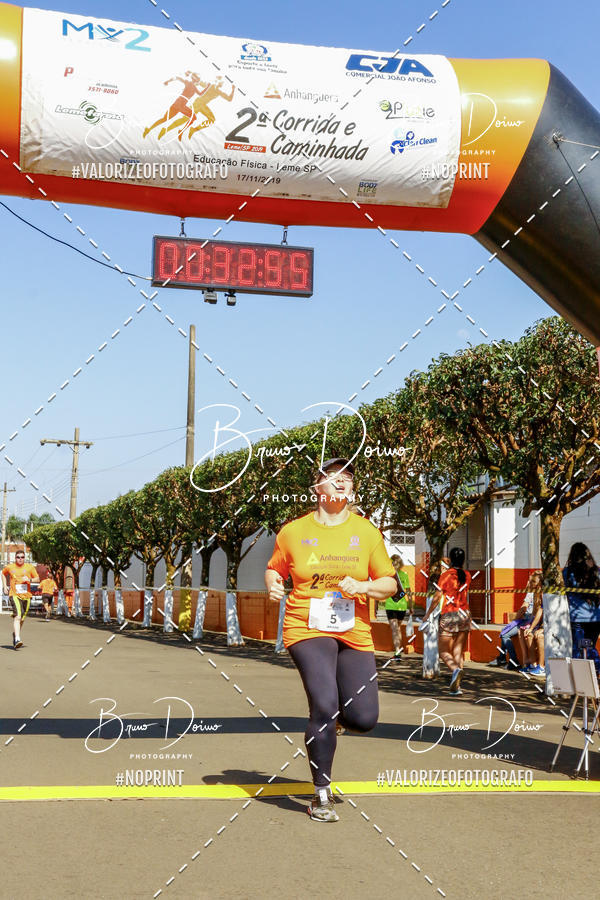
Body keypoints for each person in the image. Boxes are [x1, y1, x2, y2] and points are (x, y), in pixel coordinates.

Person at [265, 458, 396, 823]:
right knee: (324, 706)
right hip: (306, 627)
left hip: (354, 630)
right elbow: (275, 568)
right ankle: (321, 793)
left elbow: (389, 583)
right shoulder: (293, 532)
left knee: (364, 718)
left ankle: (336, 720)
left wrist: (365, 586)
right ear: (317, 488)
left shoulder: (366, 532)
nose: (342, 481)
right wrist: (272, 585)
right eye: (334, 476)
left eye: (348, 477)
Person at [422, 547, 471, 694]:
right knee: (458, 651)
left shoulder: (446, 575)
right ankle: (457, 686)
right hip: (465, 614)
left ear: (450, 560)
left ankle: (455, 670)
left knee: (443, 651)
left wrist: (428, 614)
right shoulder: (467, 575)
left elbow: (437, 597)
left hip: (449, 615)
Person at [488, 572, 542, 670]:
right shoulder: (535, 593)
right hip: (530, 620)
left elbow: (523, 609)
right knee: (505, 631)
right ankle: (502, 658)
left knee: (505, 634)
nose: (529, 583)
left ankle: (512, 660)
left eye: (532, 581)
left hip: (527, 620)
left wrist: (515, 620)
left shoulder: (532, 593)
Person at [563, 543, 600, 657]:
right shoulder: (596, 571)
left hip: (577, 618)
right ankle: (595, 666)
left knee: (578, 648)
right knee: (589, 646)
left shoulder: (567, 573)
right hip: (595, 617)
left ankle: (583, 667)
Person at [1, 549, 39, 649]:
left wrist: (29, 579)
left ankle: (15, 634)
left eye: (22, 557)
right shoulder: (10, 567)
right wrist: (5, 586)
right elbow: (3, 573)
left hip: (26, 596)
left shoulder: (30, 567)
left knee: (22, 618)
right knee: (17, 616)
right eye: (18, 557)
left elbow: (37, 578)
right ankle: (17, 639)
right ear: (15, 558)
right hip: (14, 594)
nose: (20, 559)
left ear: (24, 558)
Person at [382, 554, 414, 657]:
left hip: (391, 605)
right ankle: (398, 650)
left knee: (395, 629)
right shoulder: (404, 575)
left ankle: (397, 650)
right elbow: (409, 592)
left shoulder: (388, 576)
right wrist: (411, 606)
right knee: (397, 628)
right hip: (402, 606)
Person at [523, 583, 545, 675]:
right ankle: (533, 665)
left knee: (539, 637)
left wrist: (543, 629)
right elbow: (538, 614)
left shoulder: (552, 600)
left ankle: (542, 667)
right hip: (541, 626)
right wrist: (531, 628)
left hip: (551, 627)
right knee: (529, 635)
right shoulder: (540, 601)